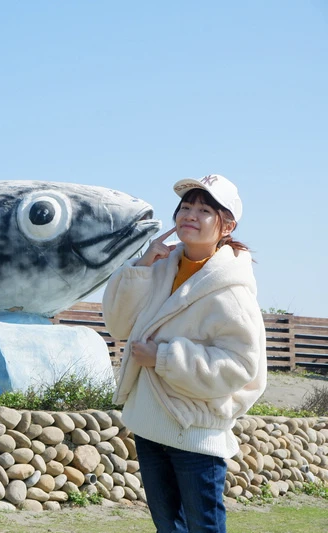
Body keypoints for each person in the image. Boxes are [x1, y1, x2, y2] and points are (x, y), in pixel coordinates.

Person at [102, 174, 267, 533]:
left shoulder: (232, 291)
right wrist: (143, 266)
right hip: (149, 423)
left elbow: (241, 365)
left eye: (205, 209)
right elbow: (118, 325)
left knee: (203, 527)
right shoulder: (160, 267)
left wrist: (162, 357)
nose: (190, 214)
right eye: (186, 206)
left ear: (227, 225)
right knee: (167, 527)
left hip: (195, 429)